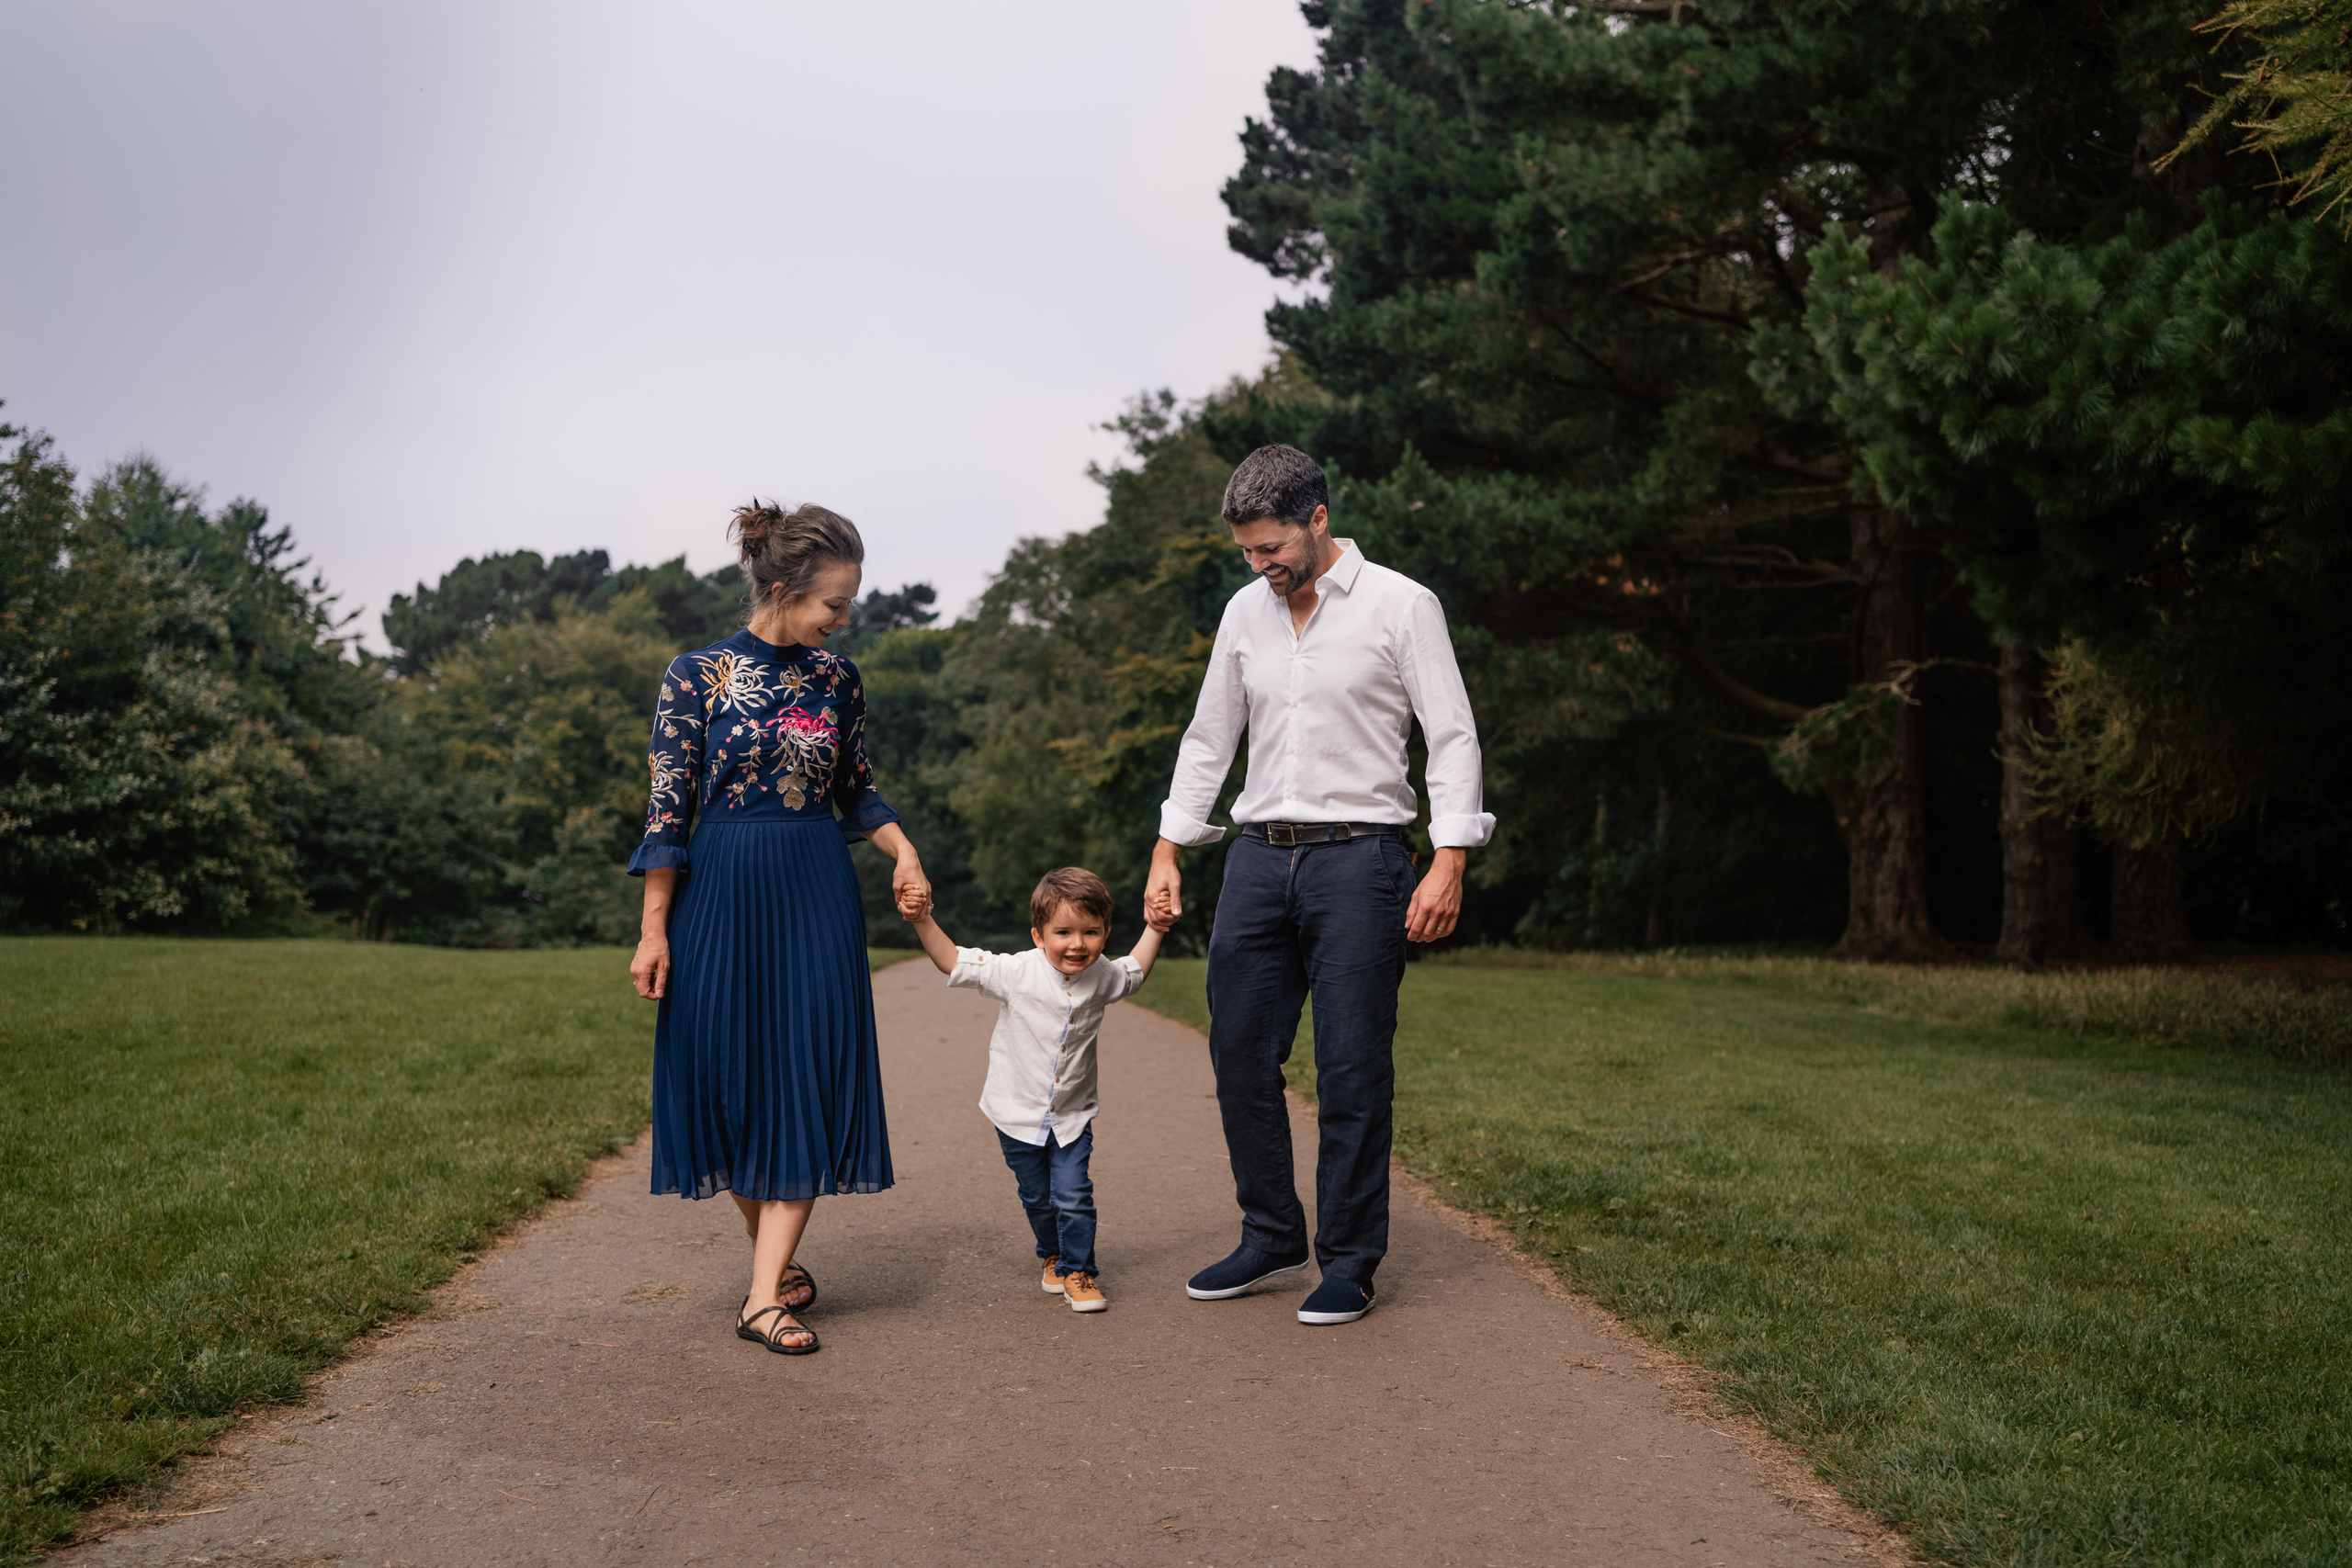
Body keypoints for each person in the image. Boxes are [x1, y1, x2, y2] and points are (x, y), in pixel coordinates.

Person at [1145, 444, 1492, 1326]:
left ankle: (1348, 1259)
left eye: (1272, 549)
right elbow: (1207, 735)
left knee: (1349, 1068)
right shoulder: (1244, 613)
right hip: (1258, 858)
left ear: (1319, 520)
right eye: (1248, 554)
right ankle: (1269, 1233)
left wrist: (1449, 855)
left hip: (1362, 861)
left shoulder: (1401, 606)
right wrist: (1170, 845)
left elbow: (1451, 736)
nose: (1261, 567)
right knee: (1239, 1054)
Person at [628, 500, 932, 1358]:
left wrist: (901, 850)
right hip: (717, 895)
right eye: (834, 603)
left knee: (801, 1073)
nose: (843, 619)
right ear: (783, 585)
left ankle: (763, 1297)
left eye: (849, 604)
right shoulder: (695, 676)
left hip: (813, 895)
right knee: (722, 1084)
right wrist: (654, 930)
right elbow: (666, 813)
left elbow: (858, 791)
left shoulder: (839, 680)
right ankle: (777, 1263)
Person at [905, 867, 1170, 1314]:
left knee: (1073, 1193)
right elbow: (954, 961)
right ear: (1038, 934)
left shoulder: (1102, 975)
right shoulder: (1016, 972)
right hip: (1015, 1112)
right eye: (1062, 932)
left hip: (1071, 1114)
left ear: (1106, 934)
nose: (1076, 944)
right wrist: (921, 918)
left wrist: (1157, 926)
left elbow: (1135, 970)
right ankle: (1052, 1253)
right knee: (1037, 1196)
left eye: (1091, 932)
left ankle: (1079, 1270)